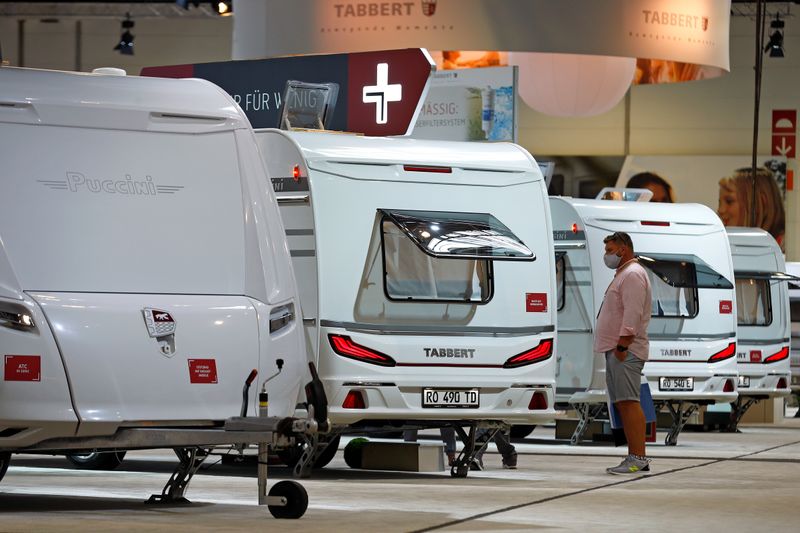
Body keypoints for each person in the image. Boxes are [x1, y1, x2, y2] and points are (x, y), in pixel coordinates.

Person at [595, 232, 652, 475]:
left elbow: (633, 314)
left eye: (609, 250)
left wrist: (622, 345)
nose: (606, 255)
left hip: (624, 351)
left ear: (623, 249)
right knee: (624, 403)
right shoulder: (624, 274)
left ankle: (638, 458)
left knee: (629, 403)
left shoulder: (632, 275)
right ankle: (634, 455)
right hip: (618, 349)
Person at [718, 167, 785, 249]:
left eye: (729, 201)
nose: (720, 210)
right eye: (720, 202)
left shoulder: (789, 248)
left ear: (761, 203)